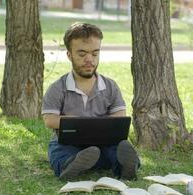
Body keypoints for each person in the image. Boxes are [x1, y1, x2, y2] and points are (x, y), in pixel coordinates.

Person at [42, 22, 140, 180]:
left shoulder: (110, 86)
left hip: (104, 143)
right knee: (59, 150)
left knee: (116, 148)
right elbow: (49, 120)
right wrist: (82, 124)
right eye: (82, 54)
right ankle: (69, 165)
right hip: (69, 143)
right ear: (69, 55)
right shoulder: (58, 88)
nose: (89, 60)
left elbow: (119, 117)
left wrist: (96, 128)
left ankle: (126, 167)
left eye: (95, 54)